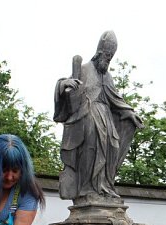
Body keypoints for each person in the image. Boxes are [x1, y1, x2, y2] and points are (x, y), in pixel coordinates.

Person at [53, 30, 143, 201]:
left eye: (110, 58)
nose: (107, 60)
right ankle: (87, 188)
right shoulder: (84, 69)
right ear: (99, 53)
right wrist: (66, 83)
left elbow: (115, 98)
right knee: (92, 141)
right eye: (106, 56)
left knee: (113, 145)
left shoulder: (107, 76)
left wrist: (129, 112)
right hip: (86, 115)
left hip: (106, 118)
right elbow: (67, 85)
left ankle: (105, 186)